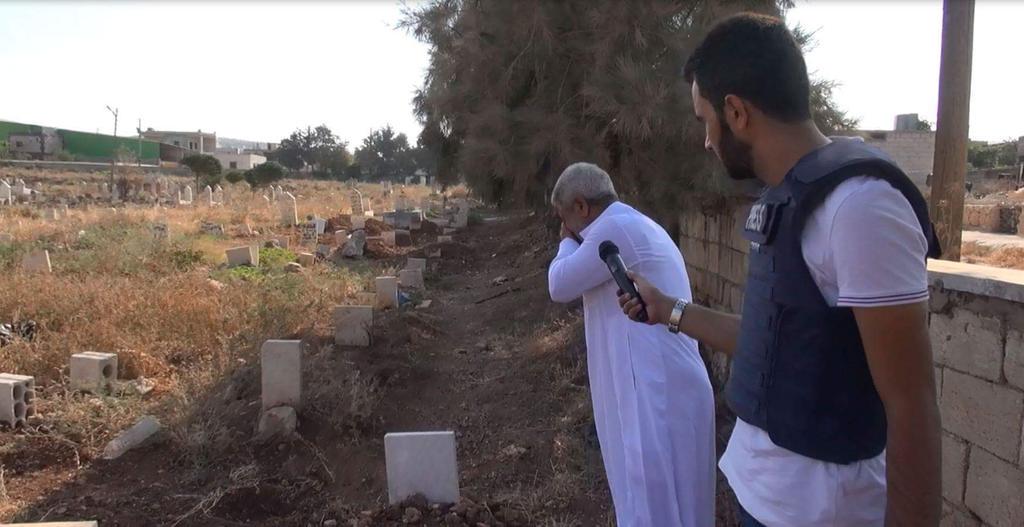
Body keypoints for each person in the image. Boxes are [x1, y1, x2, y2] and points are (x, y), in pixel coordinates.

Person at [618, 13, 942, 527]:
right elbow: (773, 347)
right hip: (764, 498)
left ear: (736, 112)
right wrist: (668, 310)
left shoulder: (861, 208)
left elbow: (912, 405)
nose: (706, 140)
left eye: (706, 120)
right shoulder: (788, 199)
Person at [547, 162, 715, 527]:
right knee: (671, 498)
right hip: (660, 380)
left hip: (655, 385)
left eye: (564, 218)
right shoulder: (630, 222)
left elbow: (558, 284)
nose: (566, 229)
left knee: (651, 496)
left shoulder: (613, 229)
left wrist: (564, 242)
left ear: (581, 206)